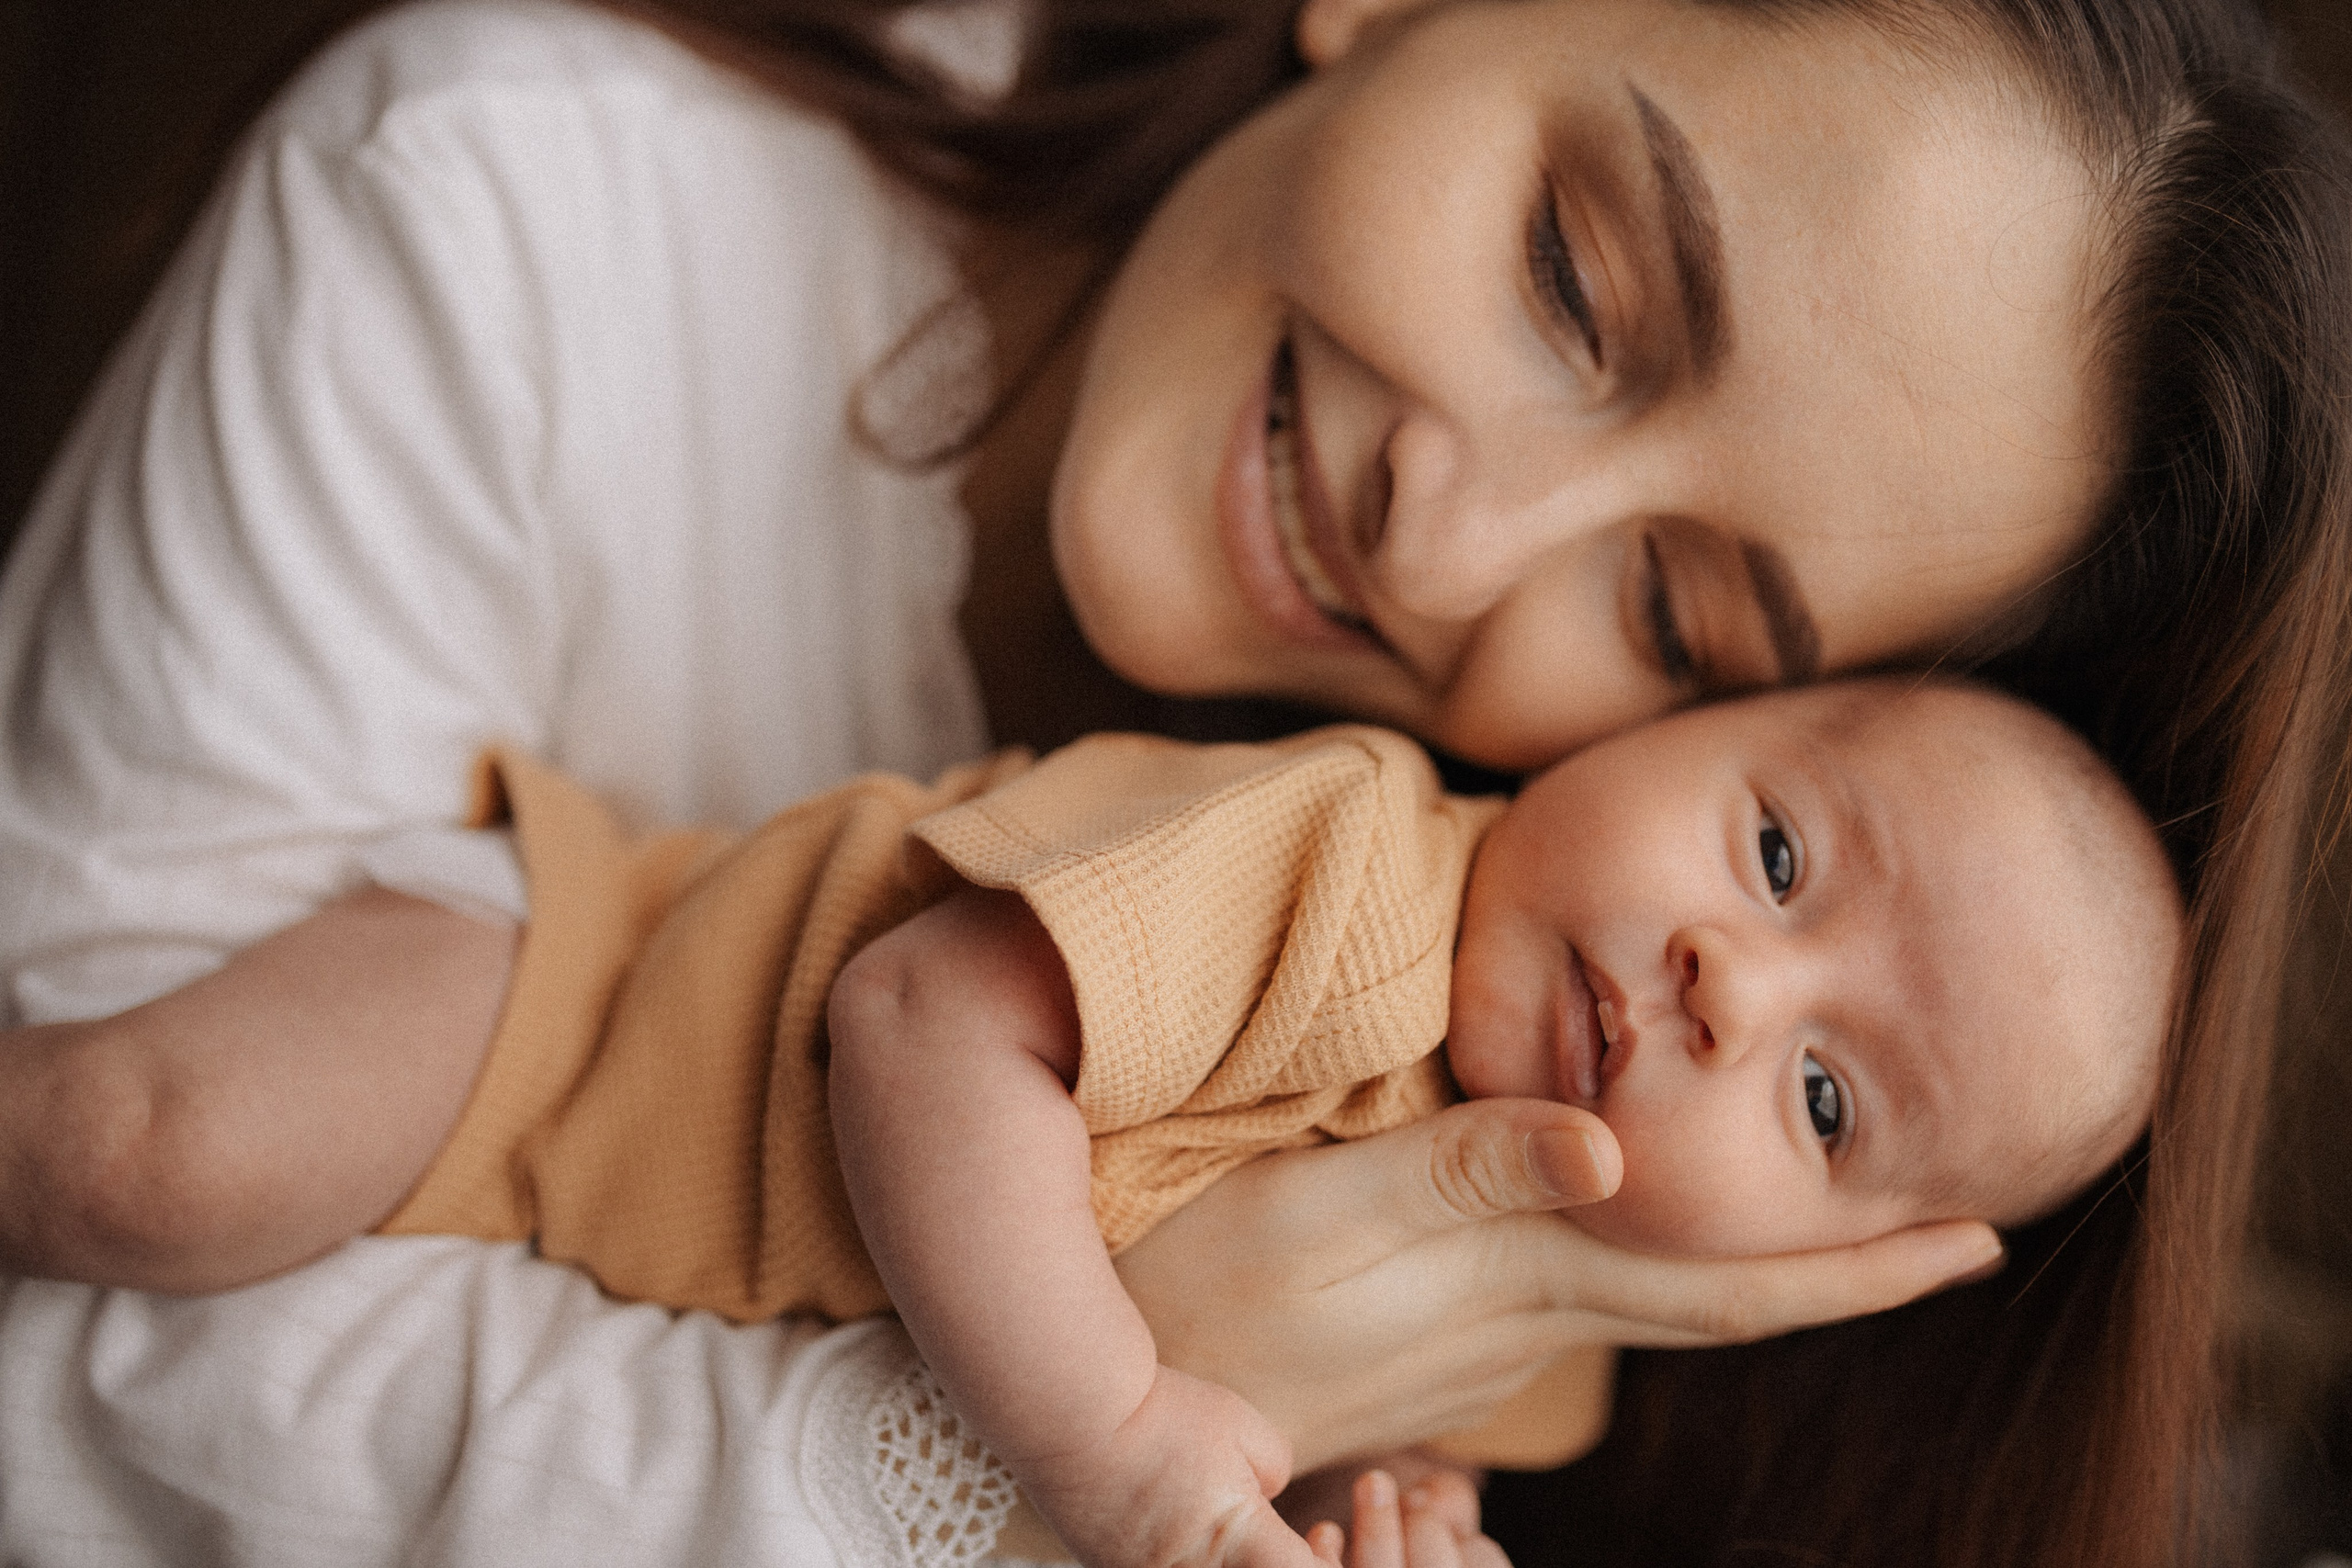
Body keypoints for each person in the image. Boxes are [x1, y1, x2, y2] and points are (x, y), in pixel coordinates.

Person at [0, 0, 2342, 1562]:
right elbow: (50, 1388)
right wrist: (1087, 1439)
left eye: (1672, 616)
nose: (1449, 539)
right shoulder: (491, 205)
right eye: (1568, 272)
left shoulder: (1564, 1200)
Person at [5, 675, 2181, 1568]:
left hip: (610, 1306)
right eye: (1777, 853)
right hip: (566, 1014)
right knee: (137, 1153)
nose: (1725, 979)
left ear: (1823, 1269)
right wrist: (1117, 1442)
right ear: (1678, 718)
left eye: (1822, 1093)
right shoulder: (1347, 866)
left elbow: (1279, 1418)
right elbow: (919, 1019)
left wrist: (1364, 1518)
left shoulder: (1546, 1346)